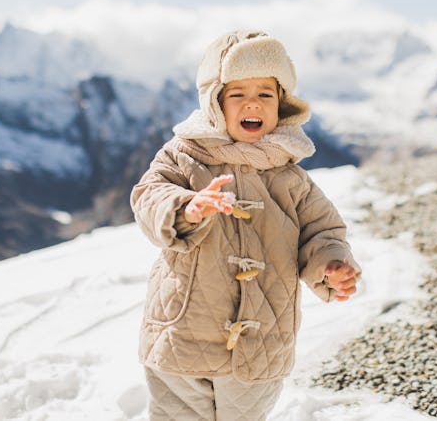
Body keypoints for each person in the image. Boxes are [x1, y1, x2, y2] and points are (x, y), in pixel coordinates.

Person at [130, 30, 361, 420]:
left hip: (261, 339)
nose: (252, 103)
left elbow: (322, 231)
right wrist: (186, 206)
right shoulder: (185, 155)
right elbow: (148, 194)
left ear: (282, 106)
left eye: (265, 94)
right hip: (182, 331)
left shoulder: (290, 177)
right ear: (215, 102)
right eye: (237, 94)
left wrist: (330, 265)